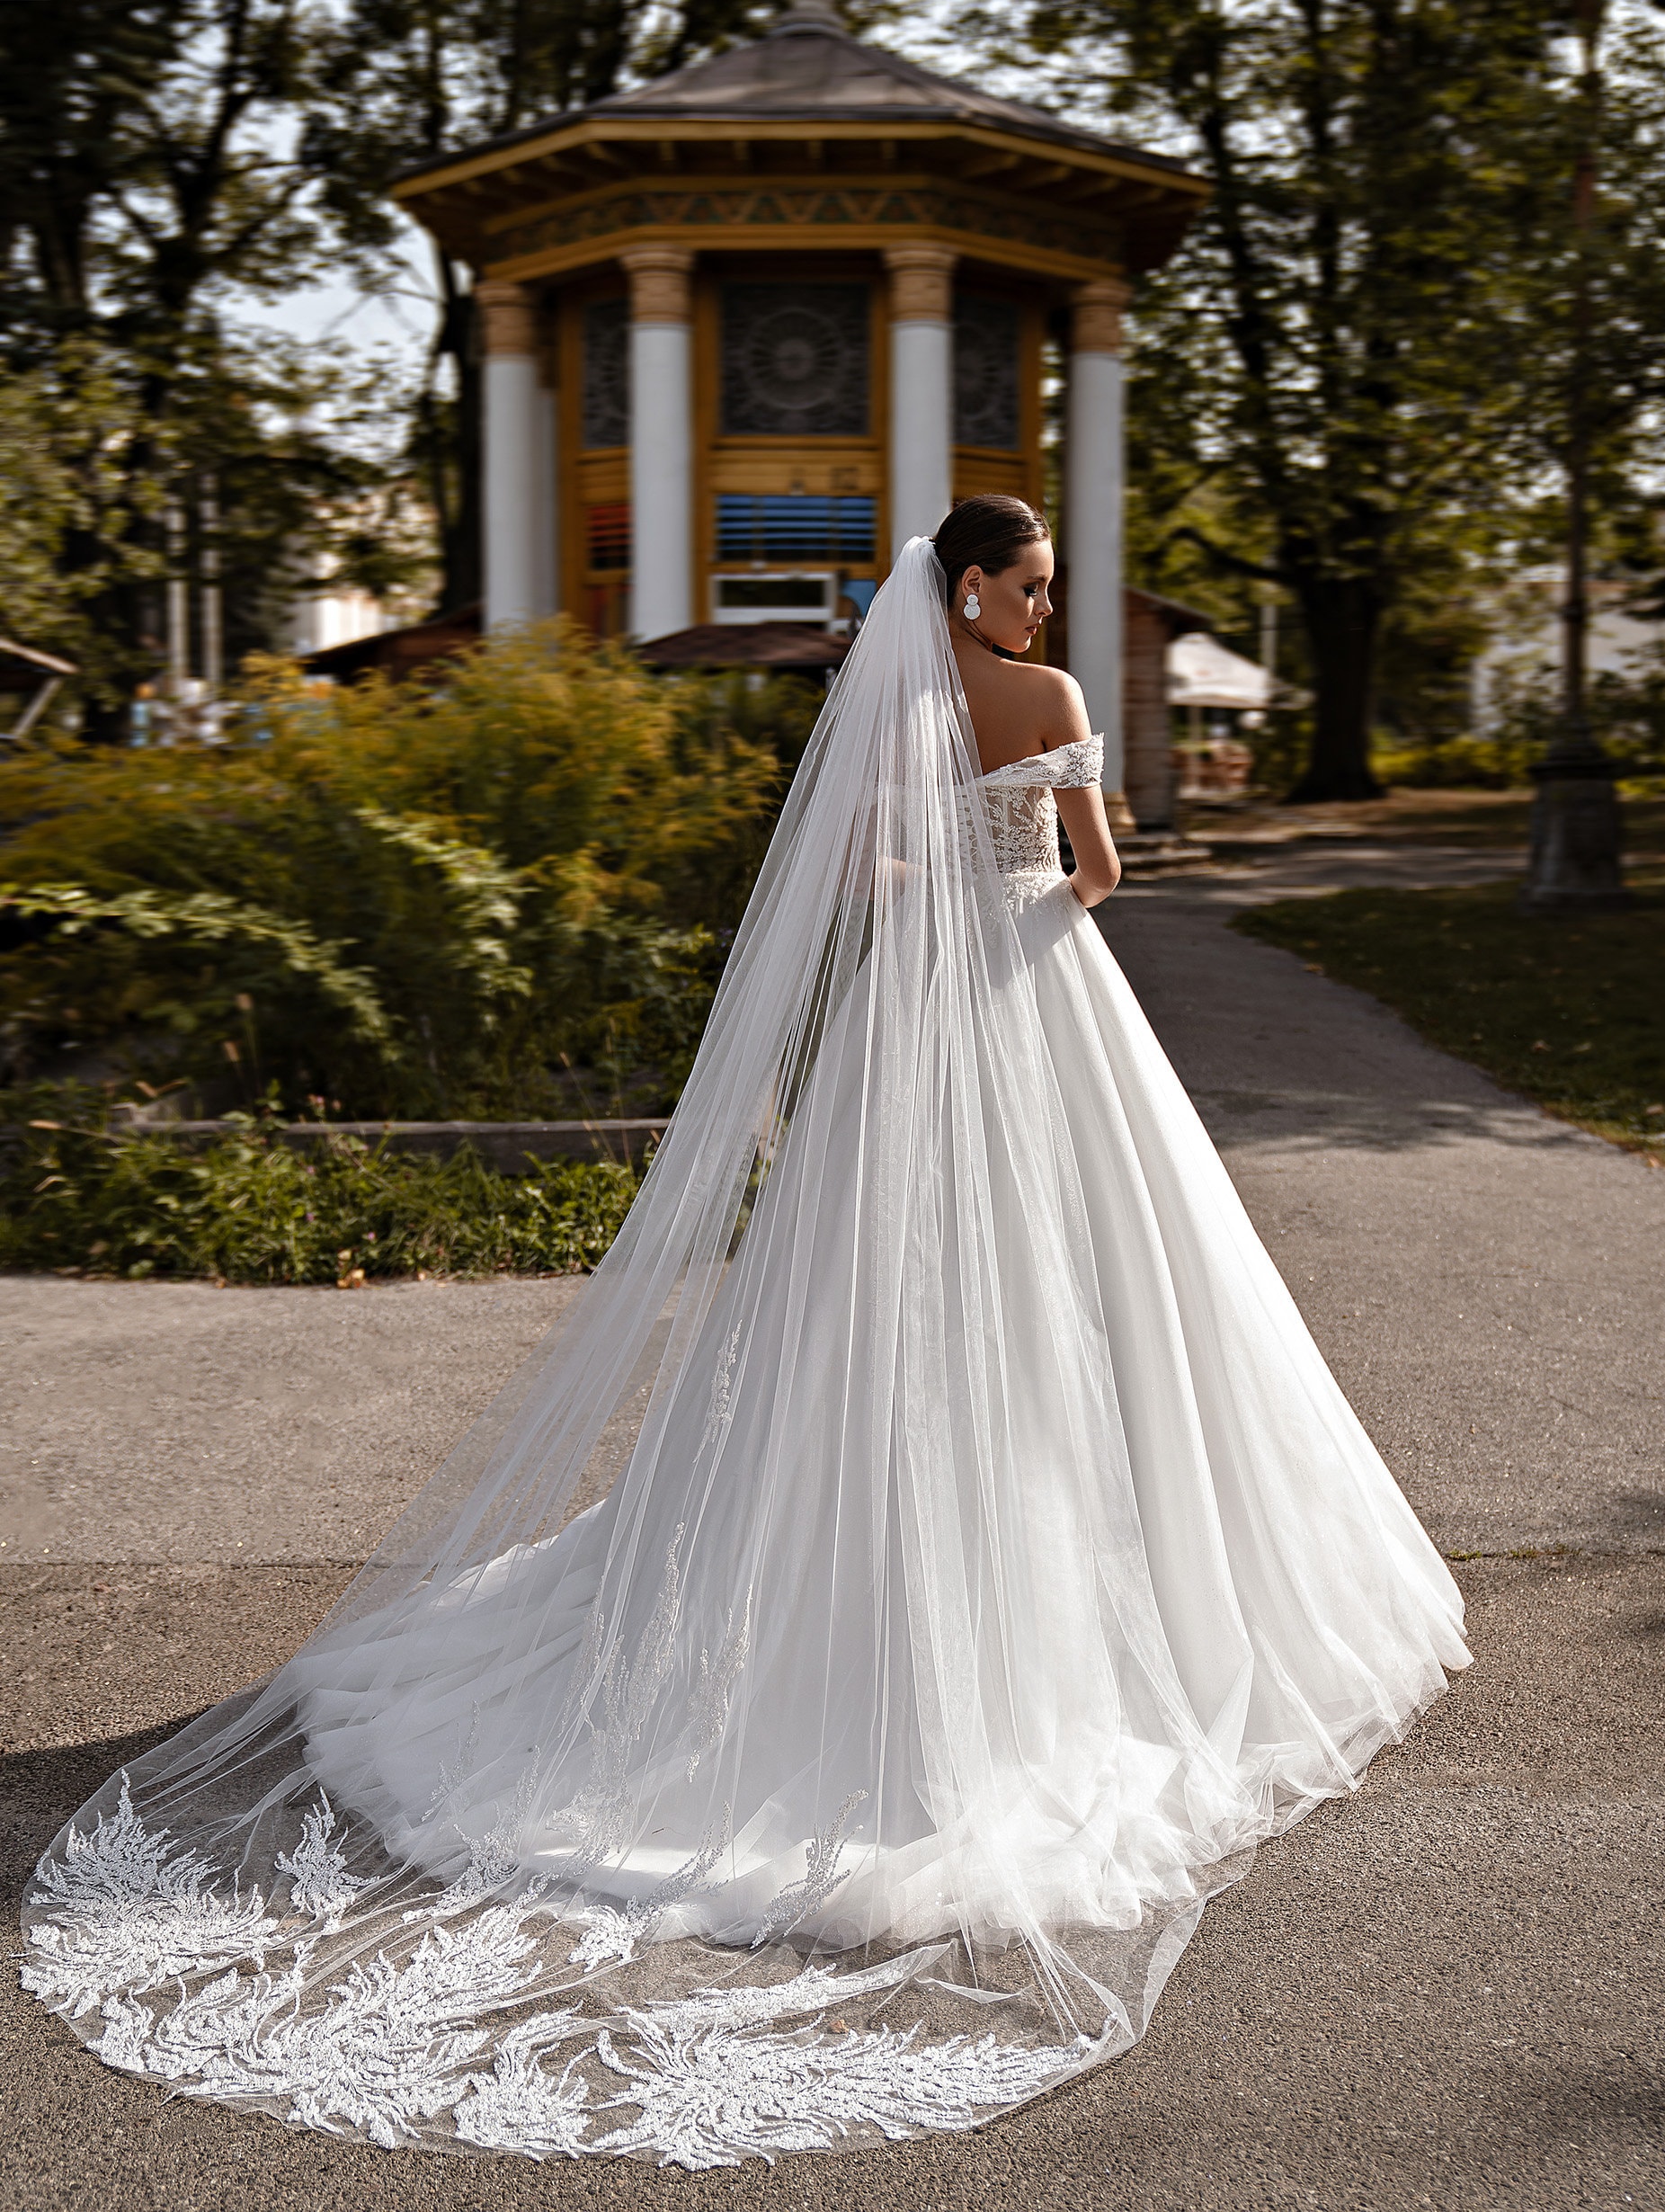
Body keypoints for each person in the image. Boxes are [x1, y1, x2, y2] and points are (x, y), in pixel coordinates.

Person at [22, 500, 1468, 2171]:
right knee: (1103, 1283)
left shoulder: (888, 692)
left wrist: (934, 879)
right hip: (1033, 1003)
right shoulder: (1054, 696)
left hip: (903, 1031)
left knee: (853, 1289)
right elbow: (1095, 878)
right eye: (1029, 582)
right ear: (982, 583)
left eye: (1044, 589)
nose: (1040, 606)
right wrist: (1009, 878)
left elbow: (857, 871)